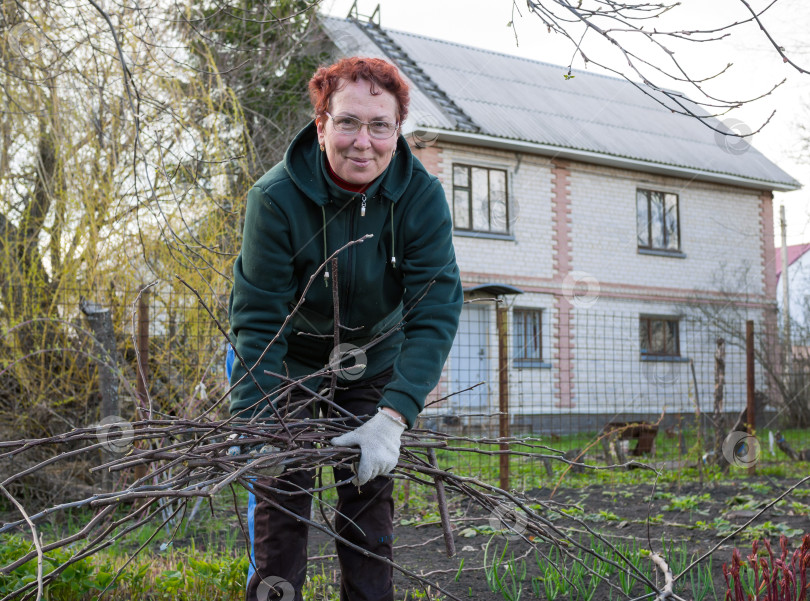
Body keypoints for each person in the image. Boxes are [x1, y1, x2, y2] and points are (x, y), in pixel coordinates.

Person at [227, 56, 463, 601]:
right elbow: (259, 319)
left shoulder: (419, 198)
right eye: (348, 122)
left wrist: (395, 415)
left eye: (379, 126)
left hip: (371, 359)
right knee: (281, 496)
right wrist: (260, 419)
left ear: (397, 130)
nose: (364, 142)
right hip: (285, 363)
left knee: (367, 499)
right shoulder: (276, 198)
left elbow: (434, 310)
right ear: (321, 126)